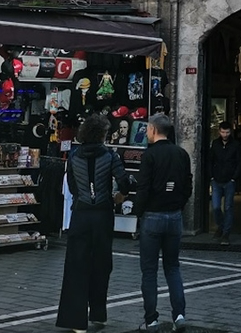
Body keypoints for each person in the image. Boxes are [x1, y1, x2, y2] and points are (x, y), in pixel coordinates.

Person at [56, 115, 131, 333]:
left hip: (80, 214)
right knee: (101, 264)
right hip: (102, 215)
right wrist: (120, 195)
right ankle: (98, 313)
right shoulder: (110, 155)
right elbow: (124, 180)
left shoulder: (74, 155)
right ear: (102, 135)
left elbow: (71, 186)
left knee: (76, 266)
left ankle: (75, 320)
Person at [135, 113, 191, 332]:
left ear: (153, 129)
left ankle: (152, 319)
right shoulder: (182, 154)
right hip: (174, 215)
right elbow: (188, 186)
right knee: (172, 267)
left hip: (152, 216)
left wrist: (138, 213)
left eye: (148, 128)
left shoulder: (149, 156)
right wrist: (179, 203)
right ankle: (179, 315)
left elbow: (143, 188)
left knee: (149, 271)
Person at [206, 120, 241, 245]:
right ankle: (221, 226)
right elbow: (210, 160)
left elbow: (239, 162)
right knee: (216, 207)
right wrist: (211, 176)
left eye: (227, 132)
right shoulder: (215, 144)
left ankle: (226, 233)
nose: (225, 134)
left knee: (228, 207)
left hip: (229, 180)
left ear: (230, 132)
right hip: (216, 180)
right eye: (223, 132)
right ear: (219, 132)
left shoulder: (236, 145)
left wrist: (234, 177)